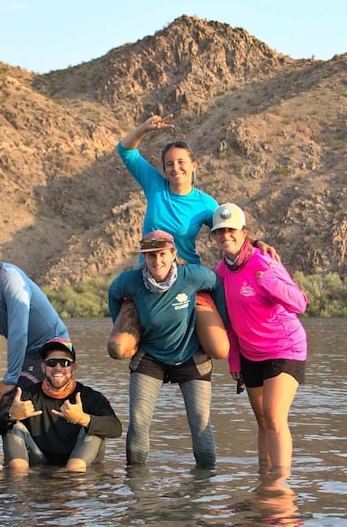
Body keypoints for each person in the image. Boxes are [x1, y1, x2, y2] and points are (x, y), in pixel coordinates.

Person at [111, 114, 278, 360]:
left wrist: (254, 243)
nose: (175, 167)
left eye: (181, 162)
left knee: (220, 350)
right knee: (118, 349)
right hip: (149, 277)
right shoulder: (155, 186)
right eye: (169, 163)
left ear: (193, 165)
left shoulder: (205, 203)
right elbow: (125, 151)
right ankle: (147, 353)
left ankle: (188, 348)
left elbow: (228, 229)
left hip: (187, 276)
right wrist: (144, 129)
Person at [108, 230, 228, 468]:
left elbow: (217, 284)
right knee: (139, 421)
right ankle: (136, 487)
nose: (157, 261)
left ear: (173, 254)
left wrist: (220, 321)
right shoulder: (131, 281)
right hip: (151, 355)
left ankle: (205, 488)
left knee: (201, 422)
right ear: (144, 258)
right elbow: (114, 293)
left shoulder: (191, 276)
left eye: (162, 254)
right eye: (150, 256)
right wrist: (121, 322)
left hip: (190, 354)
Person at [211, 203, 307, 479]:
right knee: (262, 420)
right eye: (219, 232)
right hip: (250, 353)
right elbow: (229, 320)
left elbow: (300, 303)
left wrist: (270, 283)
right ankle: (265, 480)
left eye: (231, 230)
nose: (225, 236)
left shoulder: (264, 261)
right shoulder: (221, 271)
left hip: (284, 347)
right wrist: (234, 359)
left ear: (244, 233)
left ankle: (280, 485)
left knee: (275, 416)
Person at [0, 235, 71, 402]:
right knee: (8, 408)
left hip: (56, 346)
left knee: (14, 399)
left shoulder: (11, 279)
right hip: (27, 354)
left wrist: (10, 380)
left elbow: (19, 332)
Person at [0, 337, 123, 472]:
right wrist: (11, 415)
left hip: (78, 463)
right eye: (51, 362)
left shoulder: (91, 397)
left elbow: (115, 428)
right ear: (43, 367)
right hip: (38, 460)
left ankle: (76, 478)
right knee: (11, 425)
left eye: (64, 363)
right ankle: (19, 481)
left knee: (94, 428)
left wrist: (82, 418)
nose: (58, 368)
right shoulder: (23, 396)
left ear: (74, 368)